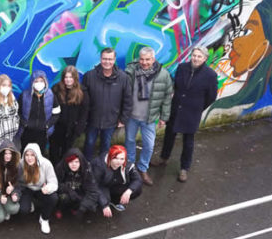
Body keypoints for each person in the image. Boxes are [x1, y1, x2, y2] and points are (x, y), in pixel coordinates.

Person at [157, 46, 218, 182]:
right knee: (169, 135)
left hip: (192, 112)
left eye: (199, 56)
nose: (195, 58)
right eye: (194, 55)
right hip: (176, 108)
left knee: (188, 141)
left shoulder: (210, 75)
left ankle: (184, 168)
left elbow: (211, 96)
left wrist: (198, 107)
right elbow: (177, 86)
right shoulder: (182, 67)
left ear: (205, 58)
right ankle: (164, 158)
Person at [123, 46, 173, 186]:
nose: (144, 62)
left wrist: (164, 117)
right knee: (129, 141)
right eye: (142, 59)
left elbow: (167, 97)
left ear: (153, 59)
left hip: (149, 118)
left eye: (148, 59)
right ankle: (130, 167)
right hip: (132, 117)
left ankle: (143, 168)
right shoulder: (131, 71)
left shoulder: (163, 75)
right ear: (139, 59)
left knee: (149, 146)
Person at [82, 47, 132, 163]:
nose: (107, 62)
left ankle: (103, 165)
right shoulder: (89, 76)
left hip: (111, 120)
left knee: (106, 144)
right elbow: (83, 100)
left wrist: (123, 119)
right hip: (92, 120)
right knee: (89, 143)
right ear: (100, 59)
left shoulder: (123, 78)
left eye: (110, 59)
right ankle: (86, 166)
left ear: (114, 60)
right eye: (104, 59)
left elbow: (128, 100)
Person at [49, 65, 89, 165]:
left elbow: (84, 112)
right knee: (53, 151)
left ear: (75, 78)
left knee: (66, 152)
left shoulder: (82, 92)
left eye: (70, 77)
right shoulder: (56, 89)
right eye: (66, 77)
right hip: (57, 128)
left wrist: (79, 129)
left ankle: (62, 171)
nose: (68, 80)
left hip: (71, 129)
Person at [18, 144, 59, 234]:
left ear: (37, 155)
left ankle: (44, 219)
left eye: (32, 155)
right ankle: (30, 203)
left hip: (41, 188)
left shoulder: (46, 164)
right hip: (27, 188)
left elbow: (54, 182)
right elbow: (16, 180)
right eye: (27, 155)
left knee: (53, 198)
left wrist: (48, 188)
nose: (29, 158)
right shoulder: (21, 164)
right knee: (23, 210)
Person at [92, 145, 142, 217]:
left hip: (115, 184)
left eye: (122, 159)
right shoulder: (99, 165)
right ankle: (104, 203)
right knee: (102, 200)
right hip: (102, 186)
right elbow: (94, 185)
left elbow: (138, 179)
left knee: (136, 189)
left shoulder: (127, 164)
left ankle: (114, 201)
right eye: (115, 158)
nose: (119, 162)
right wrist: (104, 204)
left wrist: (129, 191)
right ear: (110, 157)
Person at [18, 70, 58, 156]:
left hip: (42, 133)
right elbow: (18, 113)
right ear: (32, 82)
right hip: (27, 133)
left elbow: (56, 113)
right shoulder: (24, 95)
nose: (39, 83)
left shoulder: (51, 95)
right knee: (25, 154)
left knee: (39, 155)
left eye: (41, 81)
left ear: (45, 82)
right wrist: (24, 124)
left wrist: (47, 125)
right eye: (36, 81)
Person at [53, 148, 100, 219]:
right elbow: (54, 184)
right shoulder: (60, 167)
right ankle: (59, 209)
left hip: (79, 191)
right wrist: (68, 190)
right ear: (67, 162)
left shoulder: (86, 169)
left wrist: (83, 207)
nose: (74, 164)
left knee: (91, 205)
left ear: (81, 162)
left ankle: (75, 208)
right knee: (64, 198)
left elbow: (93, 190)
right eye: (71, 162)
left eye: (77, 162)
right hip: (64, 192)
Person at [0, 140, 21, 223]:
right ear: (0, 153)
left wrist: (14, 193)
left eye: (10, 153)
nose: (8, 156)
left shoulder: (16, 167)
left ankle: (4, 207)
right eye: (5, 153)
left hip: (6, 196)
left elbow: (18, 186)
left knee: (15, 208)